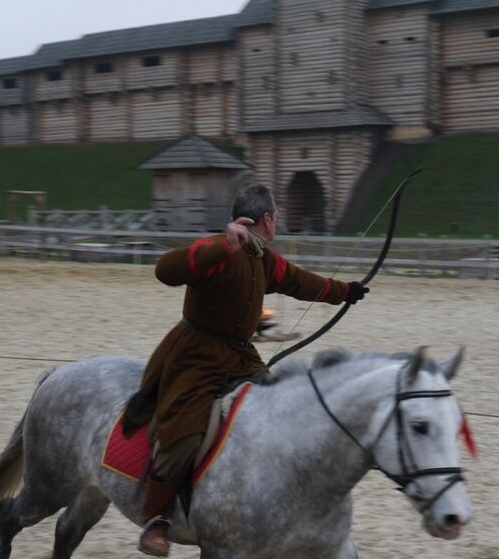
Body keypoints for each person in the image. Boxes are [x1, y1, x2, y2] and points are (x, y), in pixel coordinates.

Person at [121, 183, 368, 557]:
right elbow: (164, 270)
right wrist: (224, 245)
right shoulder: (217, 249)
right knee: (182, 431)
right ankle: (156, 519)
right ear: (267, 218)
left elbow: (299, 281)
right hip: (195, 357)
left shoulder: (263, 257)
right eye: (277, 217)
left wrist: (343, 291)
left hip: (241, 357)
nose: (278, 222)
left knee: (278, 411)